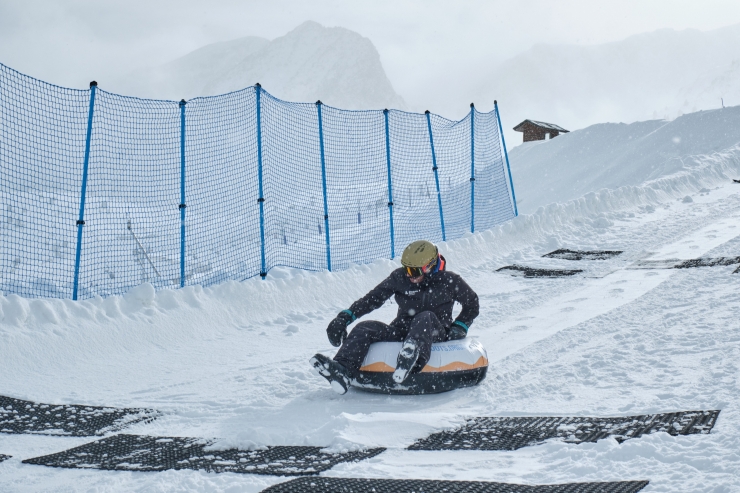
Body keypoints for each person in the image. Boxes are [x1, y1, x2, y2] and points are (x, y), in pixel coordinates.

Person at [310, 240, 479, 394]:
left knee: (425, 317)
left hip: (434, 331)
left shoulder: (450, 281)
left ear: (430, 266)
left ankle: (412, 359)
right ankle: (343, 371)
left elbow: (472, 303)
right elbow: (373, 298)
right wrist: (344, 317)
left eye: (414, 270)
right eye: (407, 269)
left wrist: (460, 325)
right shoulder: (400, 278)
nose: (410, 275)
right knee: (366, 327)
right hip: (403, 329)